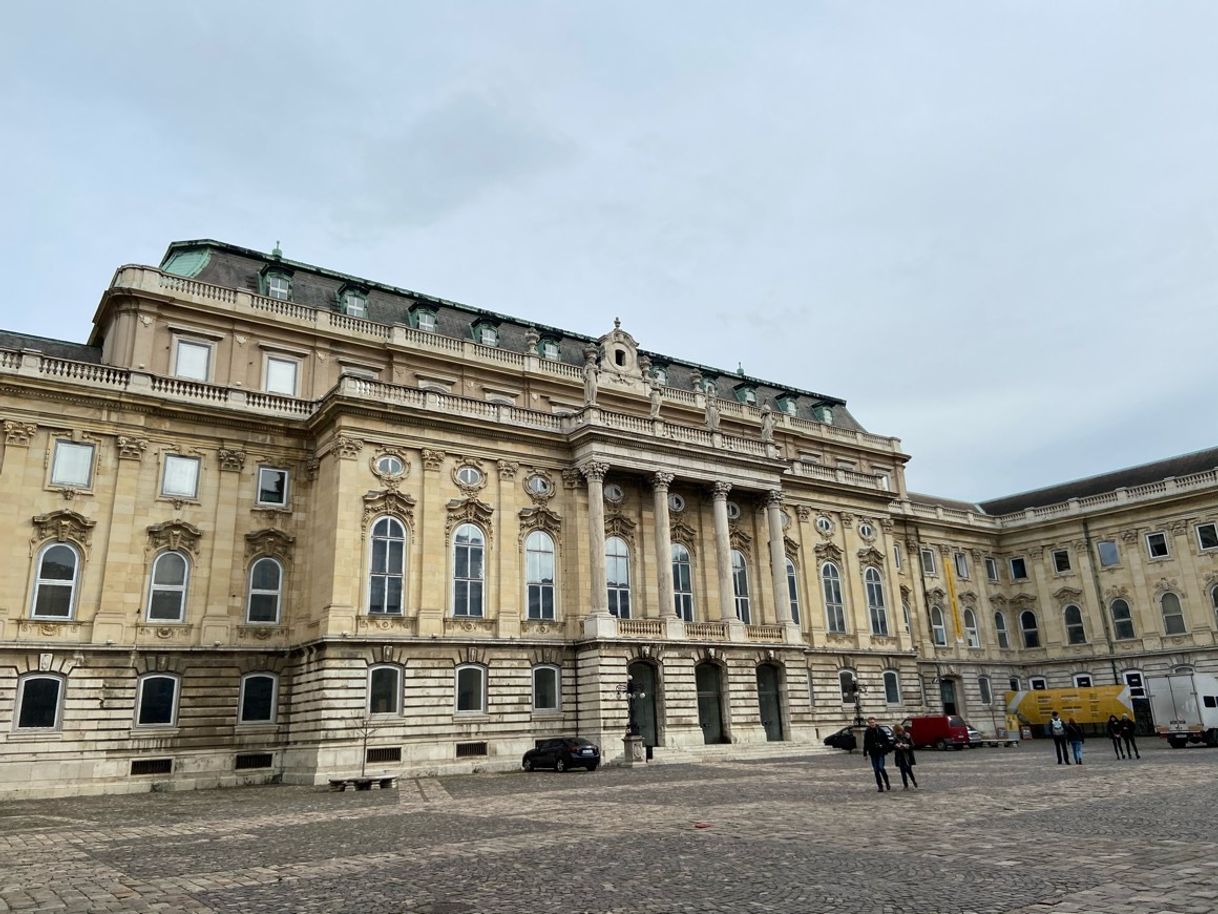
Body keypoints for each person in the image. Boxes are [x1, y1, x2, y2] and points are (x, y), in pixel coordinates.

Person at [862, 717, 892, 792]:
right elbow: (866, 743)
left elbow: (887, 741)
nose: (872, 724)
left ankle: (887, 782)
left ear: (875, 722)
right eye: (870, 722)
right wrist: (865, 753)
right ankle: (880, 786)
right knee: (876, 770)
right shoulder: (867, 732)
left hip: (880, 752)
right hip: (873, 752)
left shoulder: (880, 731)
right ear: (868, 723)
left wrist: (882, 745)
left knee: (881, 767)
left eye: (873, 722)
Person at [891, 723, 918, 789]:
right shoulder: (895, 737)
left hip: (907, 756)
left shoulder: (907, 735)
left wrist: (907, 746)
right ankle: (905, 784)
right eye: (898, 731)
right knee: (902, 771)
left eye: (900, 731)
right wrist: (897, 746)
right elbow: (892, 746)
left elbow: (913, 745)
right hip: (900, 756)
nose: (899, 732)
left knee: (909, 770)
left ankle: (914, 781)